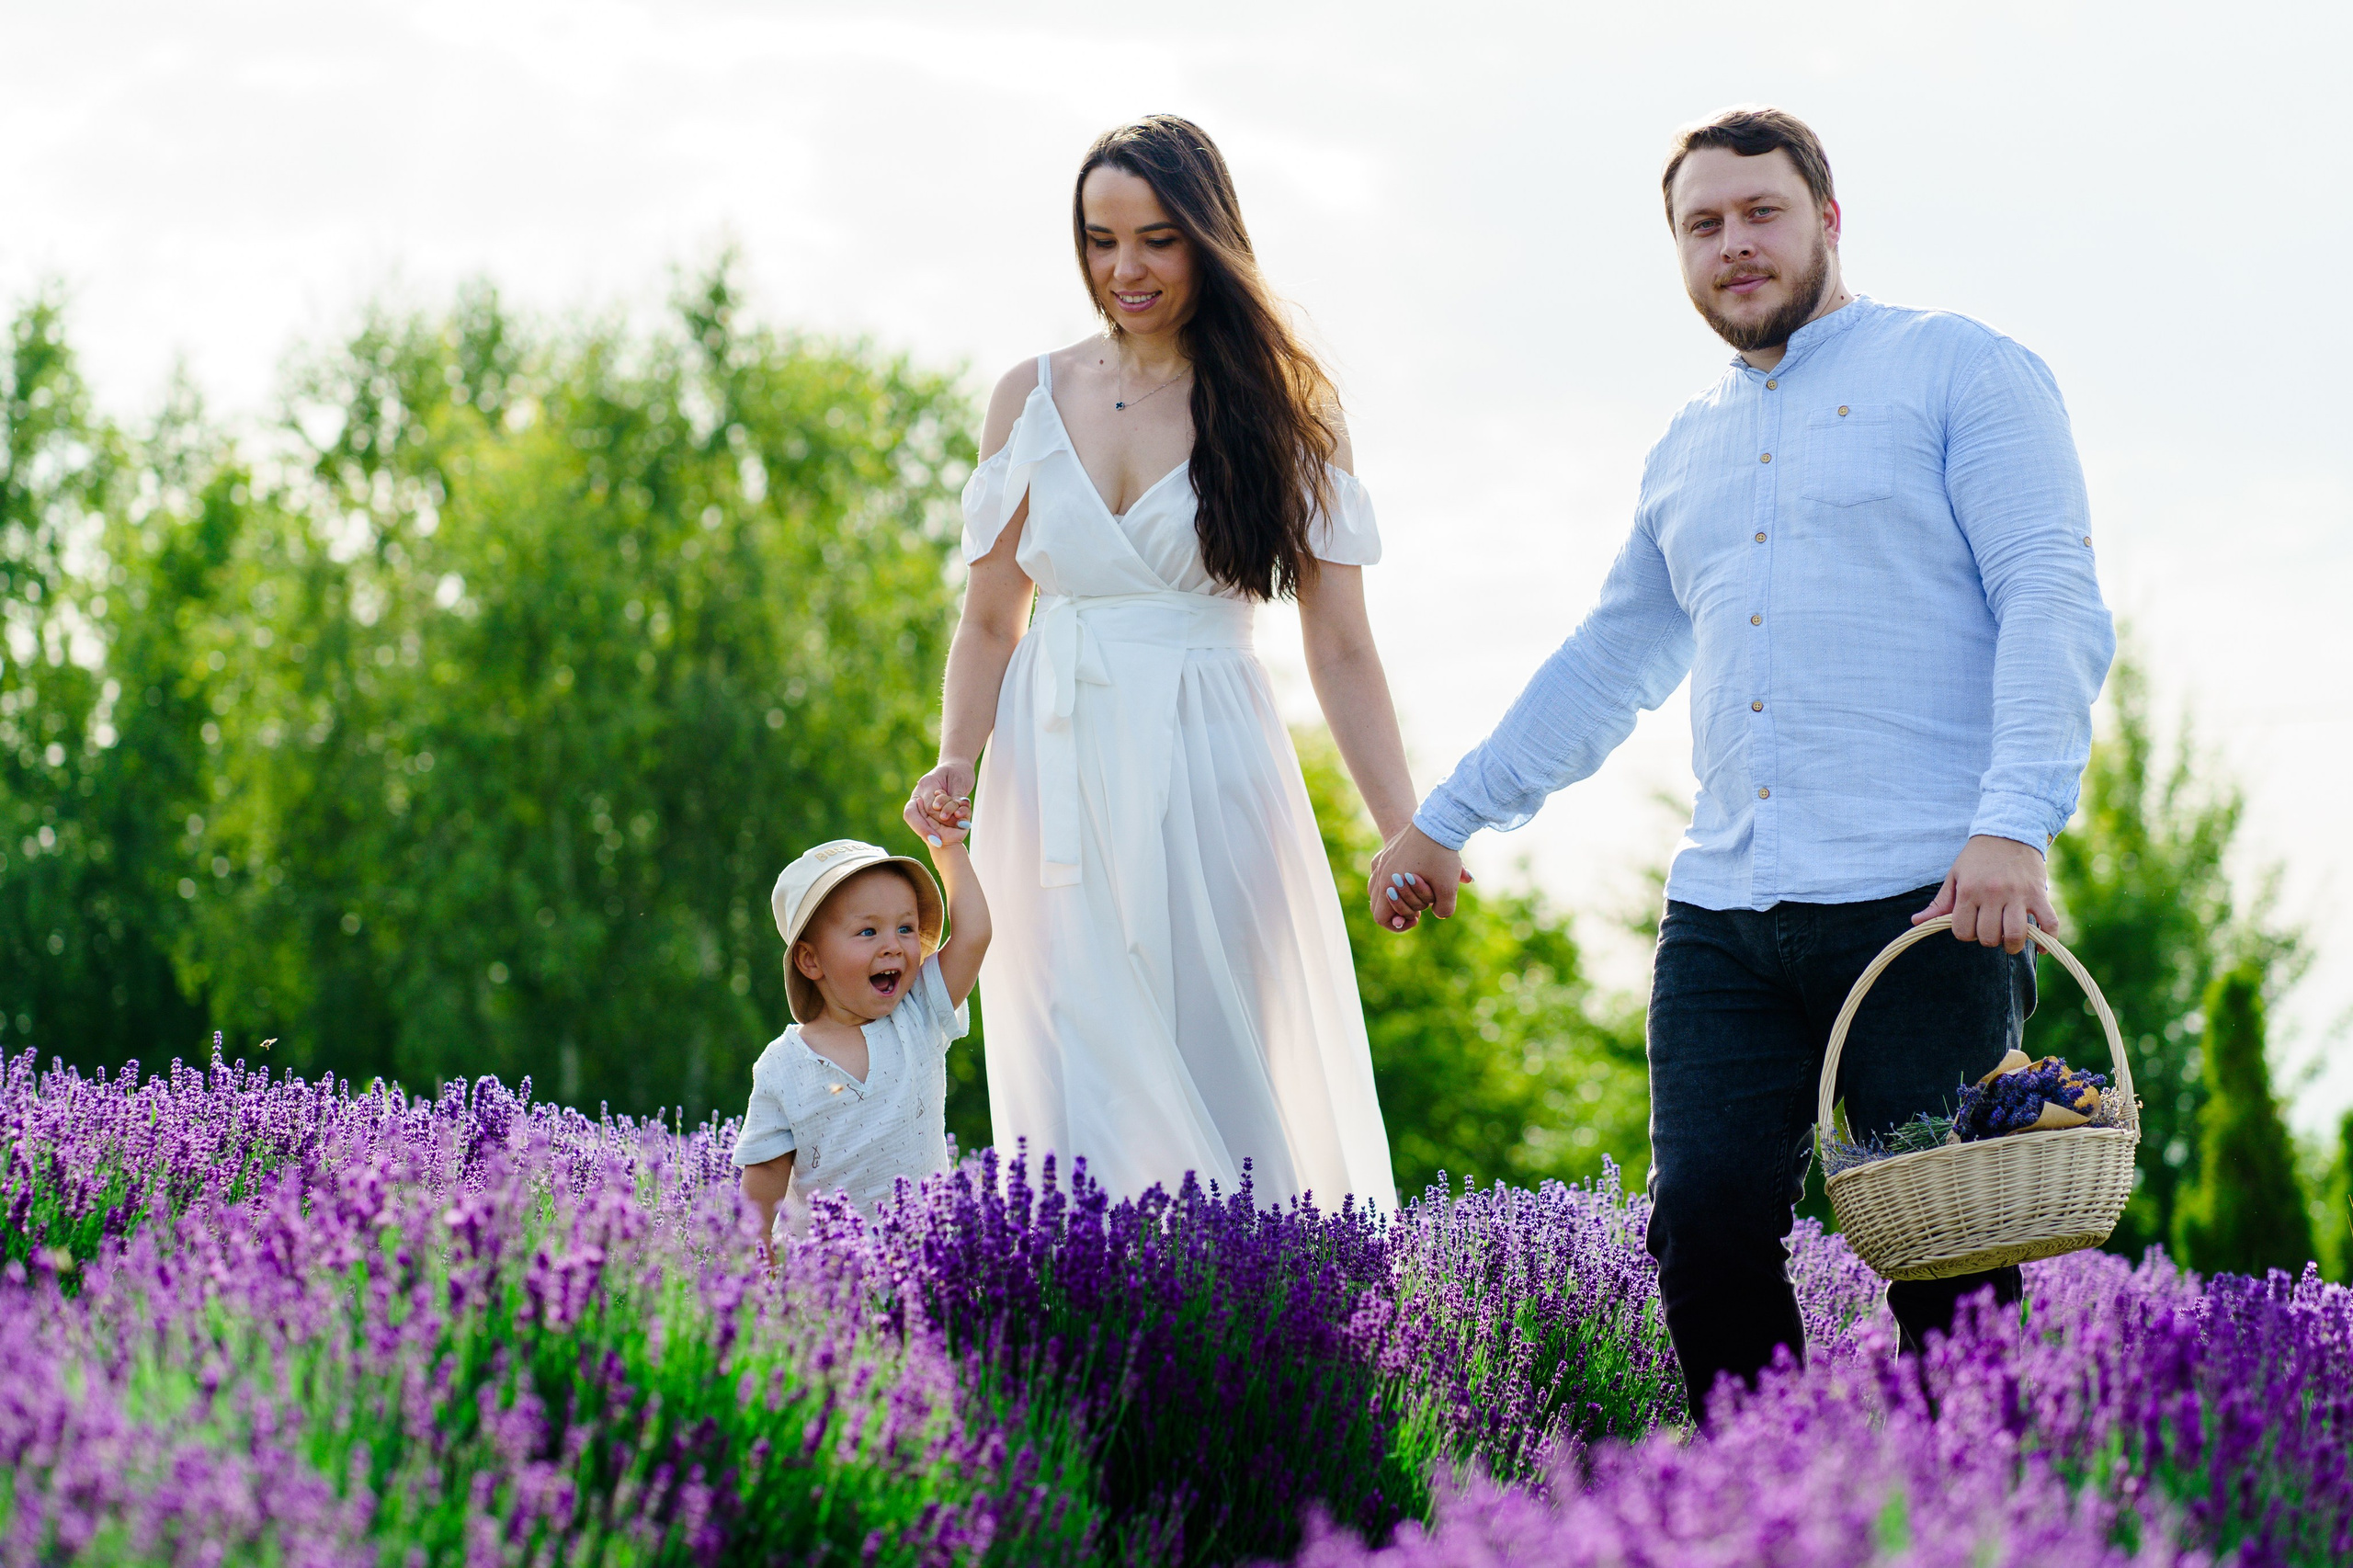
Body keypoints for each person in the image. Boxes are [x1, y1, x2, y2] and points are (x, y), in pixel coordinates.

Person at [1375, 106, 2114, 1415]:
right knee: (1704, 1232)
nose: (1734, 243)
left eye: (1761, 211)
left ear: (1828, 218)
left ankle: (1969, 1523)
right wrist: (1447, 818)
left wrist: (2016, 821)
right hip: (1724, 917)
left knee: (1952, 1265)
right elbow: (1610, 661)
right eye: (1702, 224)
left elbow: (2051, 593)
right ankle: (1768, 1505)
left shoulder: (1962, 370)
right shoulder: (1687, 446)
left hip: (1928, 904)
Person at [904, 115, 1418, 1212]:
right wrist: (955, 759)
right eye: (1100, 241)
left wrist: (1402, 823)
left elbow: (1339, 641)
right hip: (1053, 771)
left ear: (1208, 238)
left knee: (1216, 1040)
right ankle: (1099, 1349)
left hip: (1210, 748)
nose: (1124, 269)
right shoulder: (1029, 395)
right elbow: (991, 619)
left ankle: (1271, 1333)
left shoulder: (1287, 403)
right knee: (1077, 1058)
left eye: (1156, 240)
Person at [733, 821, 989, 1248]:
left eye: (906, 929)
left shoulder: (919, 1013)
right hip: (829, 1289)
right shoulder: (784, 1066)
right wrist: (766, 1300)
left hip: (927, 1270)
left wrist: (946, 843)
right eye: (868, 931)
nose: (893, 945)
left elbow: (975, 934)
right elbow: (756, 1210)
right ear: (811, 960)